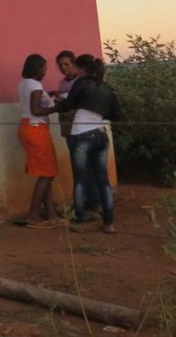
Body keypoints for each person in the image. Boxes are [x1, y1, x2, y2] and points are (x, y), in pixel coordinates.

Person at [55, 54, 116, 233]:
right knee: (103, 180)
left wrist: (62, 102)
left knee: (80, 179)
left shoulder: (80, 83)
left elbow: (68, 106)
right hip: (100, 134)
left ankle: (80, 220)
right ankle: (109, 223)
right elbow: (116, 113)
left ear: (80, 68)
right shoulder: (105, 87)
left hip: (80, 134)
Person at [54, 50, 102, 218]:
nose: (63, 68)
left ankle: (93, 205)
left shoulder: (81, 82)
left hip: (83, 129)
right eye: (60, 65)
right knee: (79, 167)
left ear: (75, 64)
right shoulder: (62, 83)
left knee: (86, 167)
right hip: (69, 129)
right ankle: (87, 204)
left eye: (66, 64)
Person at [17, 54, 60, 226]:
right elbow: (35, 109)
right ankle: (33, 214)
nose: (45, 73)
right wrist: (56, 107)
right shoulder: (35, 84)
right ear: (37, 69)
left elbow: (31, 104)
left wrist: (47, 95)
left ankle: (50, 213)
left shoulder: (24, 83)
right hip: (37, 129)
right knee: (47, 174)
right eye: (44, 69)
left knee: (45, 173)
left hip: (27, 127)